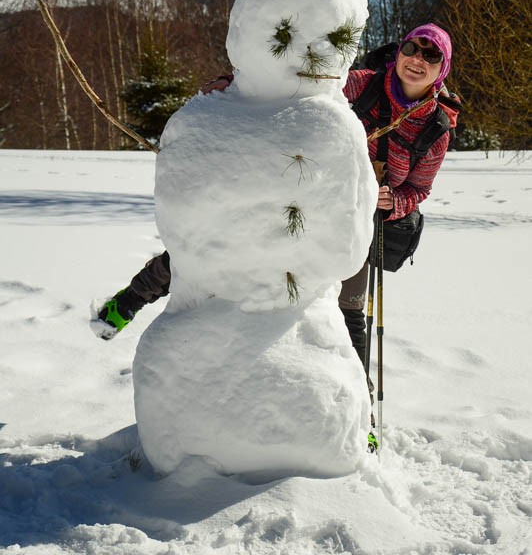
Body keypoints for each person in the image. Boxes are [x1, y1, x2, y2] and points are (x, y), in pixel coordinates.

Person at [92, 23, 458, 372]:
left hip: (356, 219)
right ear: (399, 52)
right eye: (412, 49)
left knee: (349, 311)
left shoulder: (436, 127)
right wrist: (235, 84)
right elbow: (294, 85)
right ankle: (126, 304)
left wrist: (396, 202)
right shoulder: (361, 85)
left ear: (441, 70)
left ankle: (360, 418)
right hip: (305, 193)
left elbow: (419, 188)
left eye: (431, 57)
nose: (417, 60)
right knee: (211, 246)